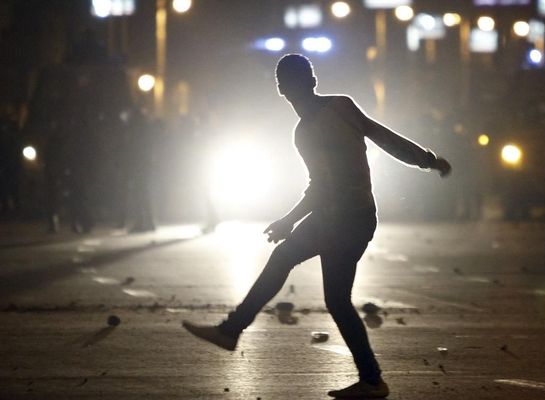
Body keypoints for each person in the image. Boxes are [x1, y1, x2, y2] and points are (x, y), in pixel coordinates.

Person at [183, 54, 451, 398]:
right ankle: (371, 380)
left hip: (345, 220)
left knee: (302, 273)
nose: (291, 90)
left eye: (290, 83)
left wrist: (289, 220)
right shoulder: (315, 125)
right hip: (345, 218)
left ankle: (233, 330)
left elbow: (348, 165)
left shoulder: (326, 117)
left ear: (289, 88)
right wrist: (426, 161)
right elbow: (377, 144)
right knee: (332, 297)